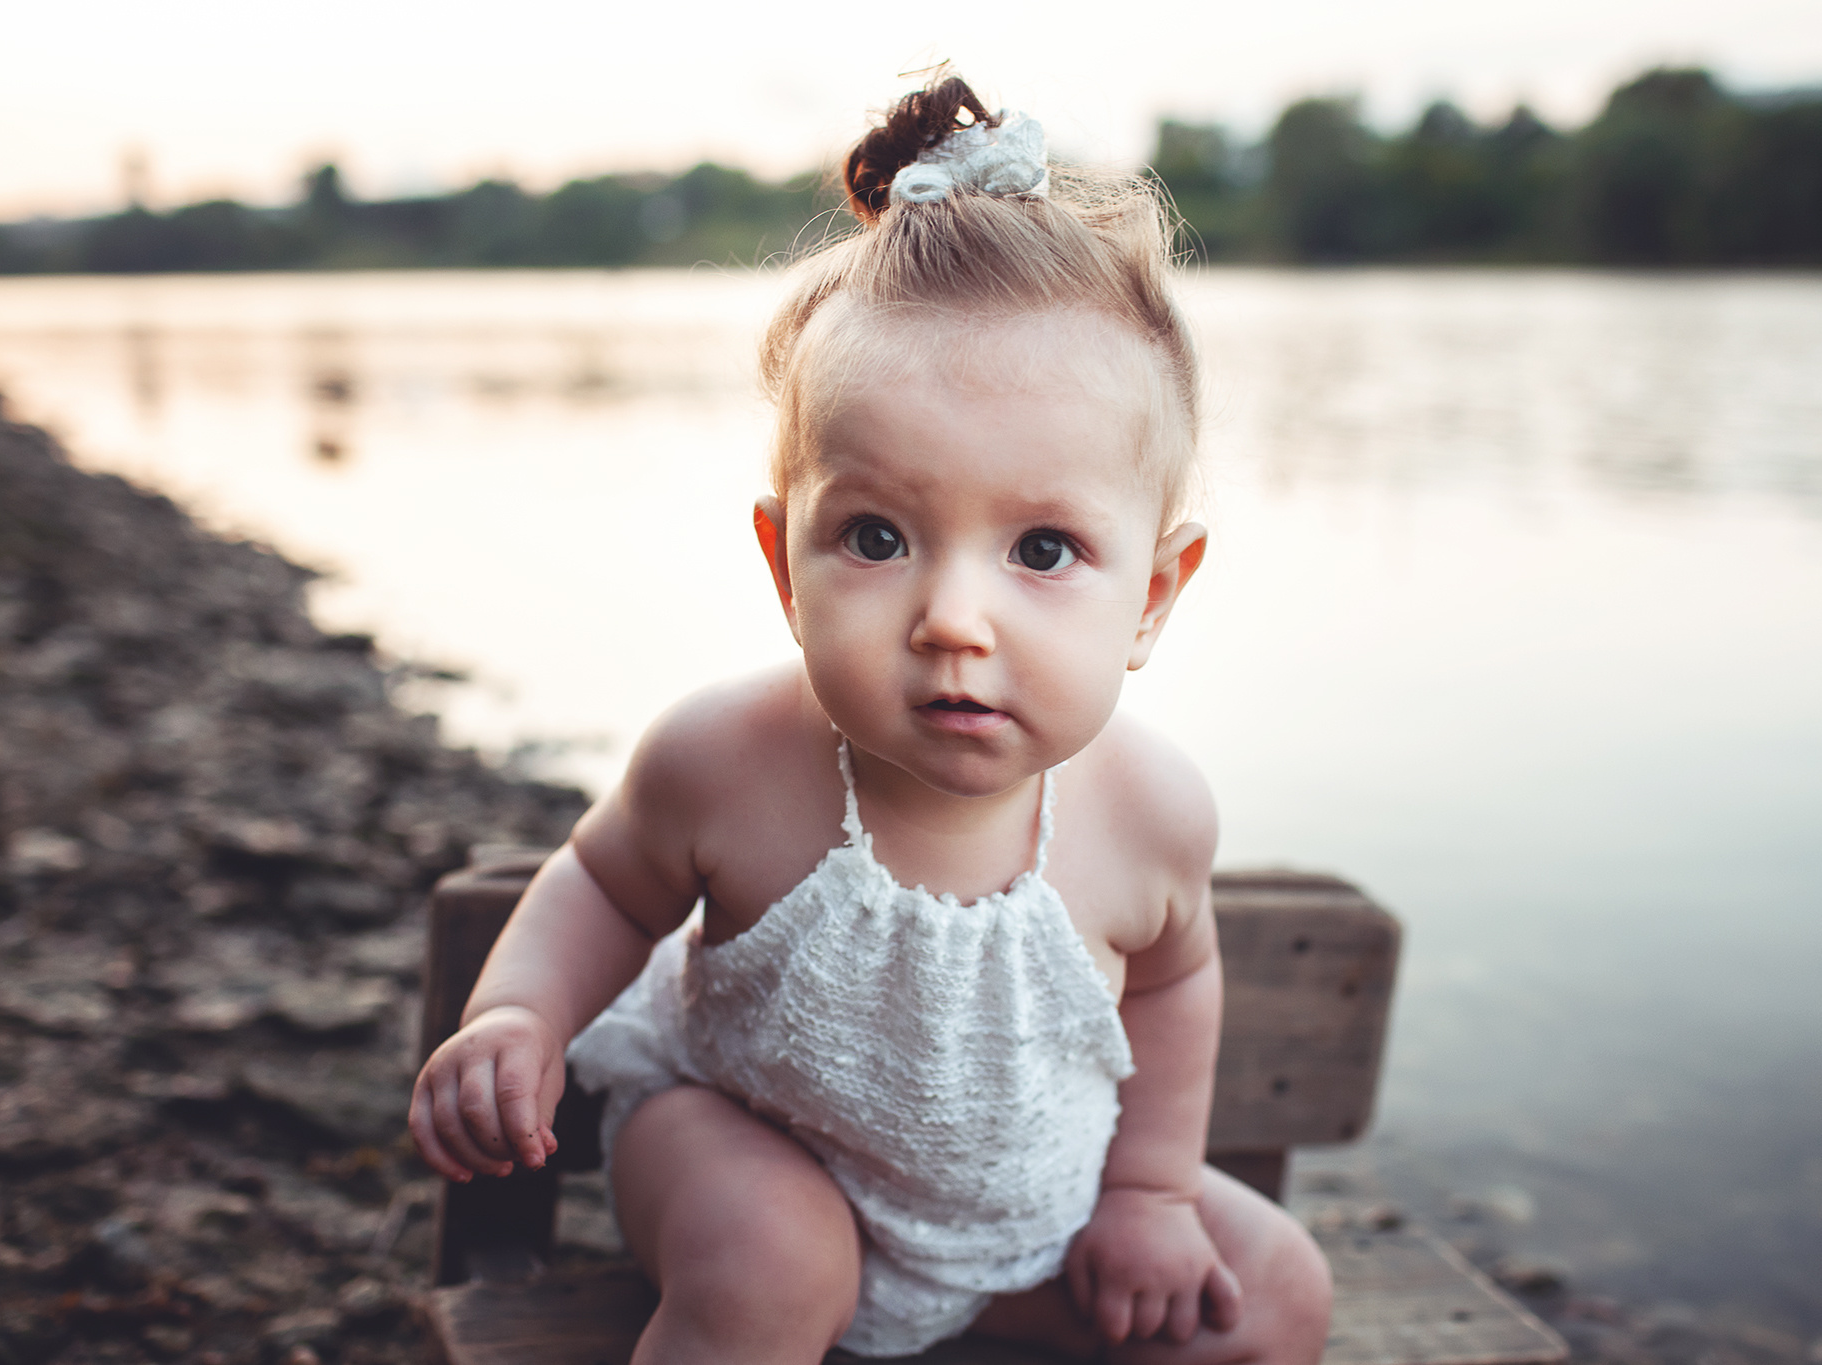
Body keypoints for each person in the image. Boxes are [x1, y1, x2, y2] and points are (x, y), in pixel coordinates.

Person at [409, 74, 1333, 1364]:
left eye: (1046, 549)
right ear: (787, 566)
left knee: (1276, 1289)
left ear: (1153, 596)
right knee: (775, 1265)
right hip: (749, 1149)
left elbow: (1176, 982)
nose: (955, 617)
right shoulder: (724, 764)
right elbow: (606, 887)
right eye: (878, 536)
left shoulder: (1150, 815)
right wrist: (519, 1015)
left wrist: (1149, 1194)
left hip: (1025, 1216)